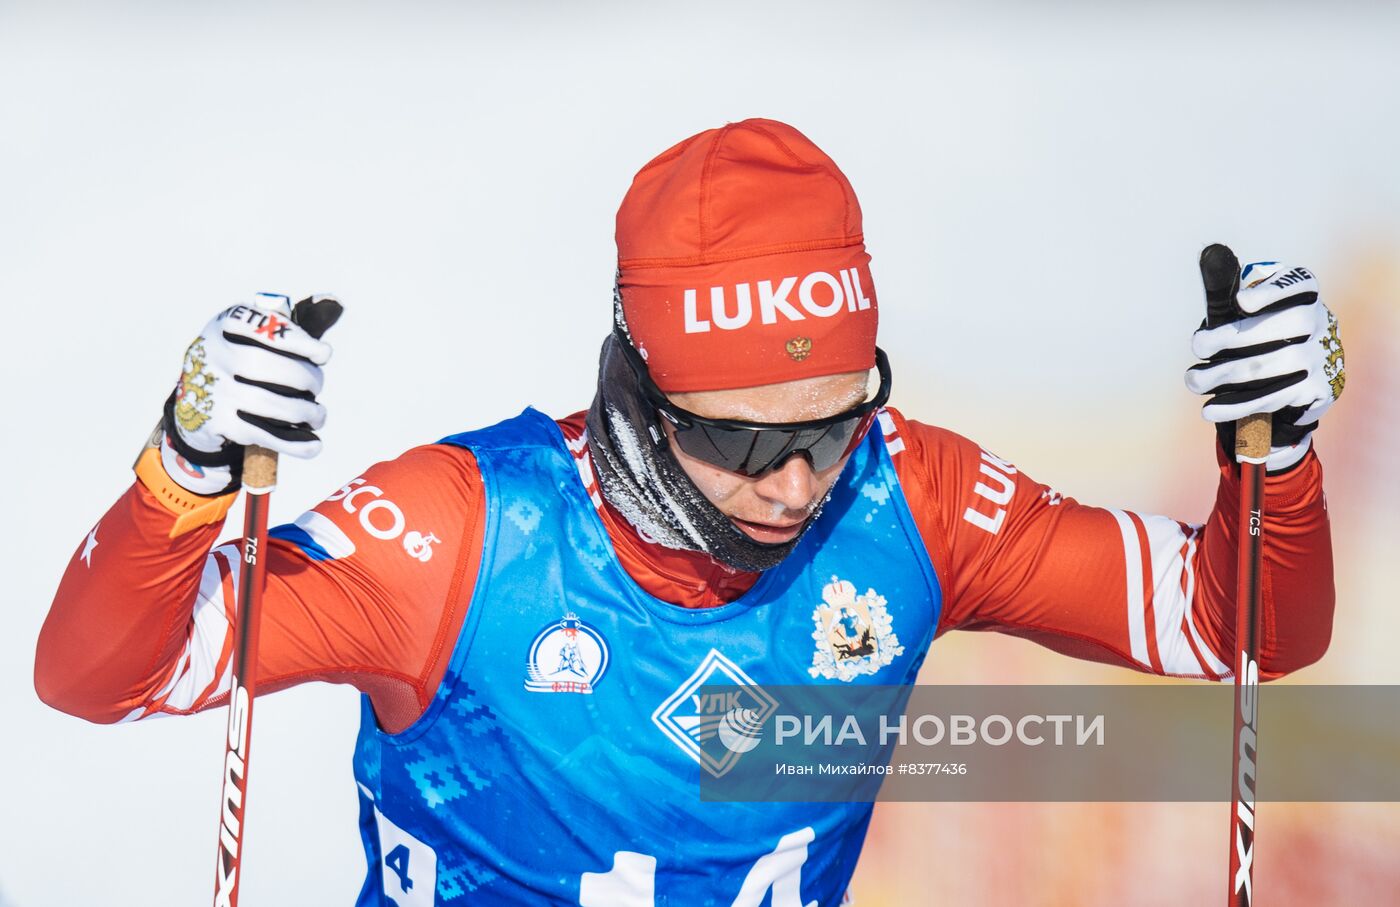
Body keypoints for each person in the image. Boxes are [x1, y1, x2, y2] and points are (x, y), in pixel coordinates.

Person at [35, 119, 1342, 904]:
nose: (795, 479)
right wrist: (188, 469)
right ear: (639, 386)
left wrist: (1274, 458)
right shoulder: (462, 535)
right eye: (741, 436)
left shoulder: (913, 499)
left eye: (835, 420)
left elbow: (1240, 630)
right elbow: (99, 675)